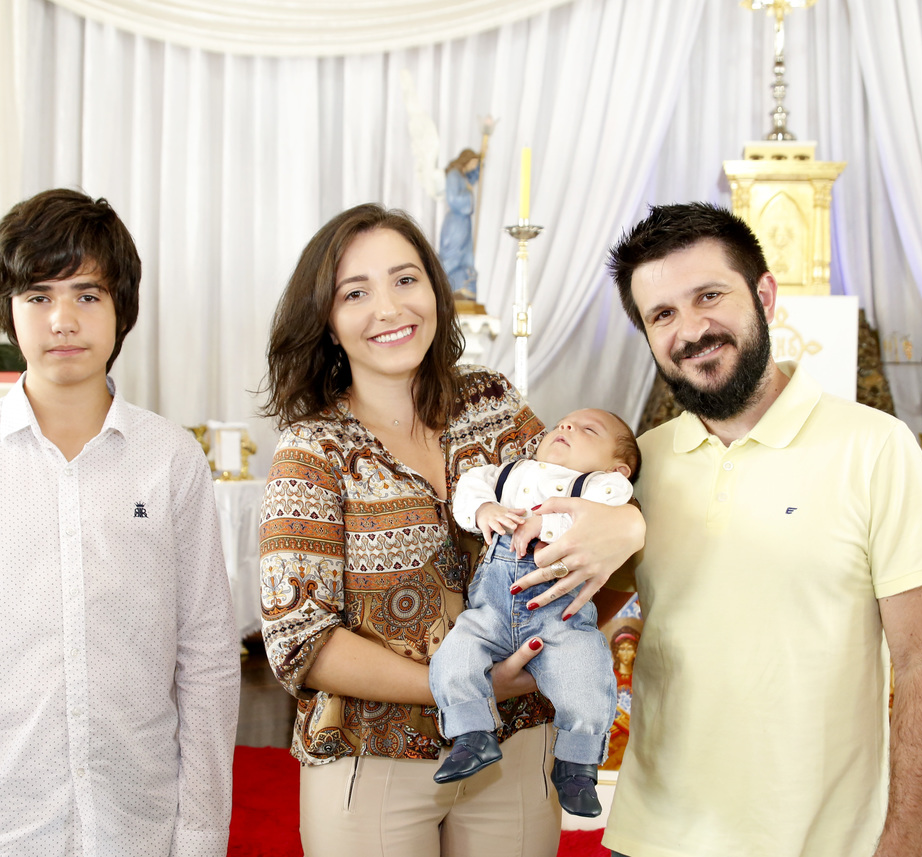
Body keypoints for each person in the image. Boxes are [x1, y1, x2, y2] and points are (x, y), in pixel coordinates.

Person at [258, 202, 644, 857]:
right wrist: (462, 685)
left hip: (517, 742)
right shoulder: (313, 449)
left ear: (436, 291)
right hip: (371, 754)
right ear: (326, 320)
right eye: (356, 292)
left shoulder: (493, 403)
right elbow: (299, 641)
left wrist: (560, 637)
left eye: (406, 280)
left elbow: (589, 523)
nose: (389, 308)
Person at [0, 188, 241, 856]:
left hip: (140, 824)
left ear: (121, 307)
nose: (63, 320)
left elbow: (208, 657)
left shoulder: (170, 459)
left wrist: (200, 834)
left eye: (87, 295)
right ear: (8, 311)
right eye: (38, 296)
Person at [602, 202, 922, 857]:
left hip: (820, 841)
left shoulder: (876, 447)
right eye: (662, 315)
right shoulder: (637, 467)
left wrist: (906, 841)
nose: (691, 330)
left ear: (764, 295)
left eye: (709, 296)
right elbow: (574, 611)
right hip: (652, 836)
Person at [429, 408, 641, 818]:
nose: (567, 426)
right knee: (454, 656)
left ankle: (577, 765)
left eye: (588, 429)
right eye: (562, 423)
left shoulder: (600, 487)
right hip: (491, 611)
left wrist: (546, 526)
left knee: (586, 673)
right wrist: (483, 510)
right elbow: (471, 485)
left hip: (557, 619)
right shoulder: (511, 473)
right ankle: (472, 734)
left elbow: (609, 515)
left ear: (617, 468)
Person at [439, 148, 481, 301]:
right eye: (473, 163)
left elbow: (475, 176)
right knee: (453, 254)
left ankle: (462, 286)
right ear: (466, 160)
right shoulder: (454, 175)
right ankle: (444, 285)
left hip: (464, 221)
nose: (473, 166)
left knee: (464, 256)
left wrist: (482, 157)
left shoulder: (463, 176)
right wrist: (469, 195)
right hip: (455, 223)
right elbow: (453, 199)